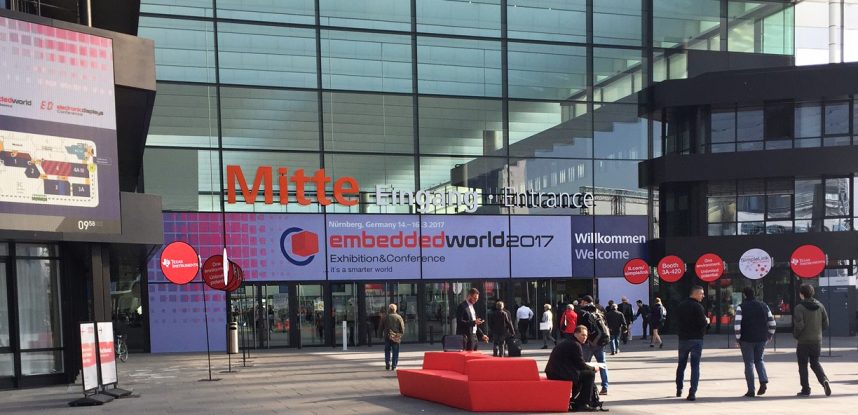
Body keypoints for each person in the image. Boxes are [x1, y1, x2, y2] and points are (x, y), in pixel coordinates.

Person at [544, 325, 601, 412]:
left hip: (553, 372)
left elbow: (576, 362)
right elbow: (580, 364)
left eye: (586, 335)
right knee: (590, 374)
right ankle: (584, 403)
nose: (585, 337)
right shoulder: (575, 345)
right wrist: (593, 368)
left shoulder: (568, 341)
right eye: (582, 335)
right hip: (559, 374)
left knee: (581, 373)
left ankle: (576, 400)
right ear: (575, 334)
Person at [734, 286, 777, 397]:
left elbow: (737, 325)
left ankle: (751, 390)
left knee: (749, 363)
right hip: (761, 338)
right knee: (759, 360)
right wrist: (769, 335)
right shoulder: (764, 305)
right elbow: (773, 323)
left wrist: (738, 338)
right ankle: (763, 381)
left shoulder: (741, 307)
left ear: (744, 295)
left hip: (746, 339)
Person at [793, 283, 831, 397]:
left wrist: (796, 335)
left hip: (803, 341)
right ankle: (824, 380)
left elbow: (799, 325)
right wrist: (818, 331)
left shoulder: (799, 308)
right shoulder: (820, 306)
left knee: (802, 365)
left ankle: (806, 389)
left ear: (801, 294)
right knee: (815, 363)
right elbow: (826, 323)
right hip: (816, 340)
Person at [675, 286, 708, 401]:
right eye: (701, 294)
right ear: (695, 293)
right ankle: (692, 392)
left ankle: (679, 388)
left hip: (683, 339)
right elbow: (702, 323)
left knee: (681, 365)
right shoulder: (698, 307)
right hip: (696, 339)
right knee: (695, 366)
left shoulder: (681, 305)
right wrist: (707, 321)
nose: (703, 296)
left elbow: (677, 321)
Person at [579, 295, 609, 395]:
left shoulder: (583, 313)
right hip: (600, 342)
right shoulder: (599, 310)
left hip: (589, 343)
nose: (581, 303)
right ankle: (605, 387)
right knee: (602, 364)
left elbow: (581, 329)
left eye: (582, 301)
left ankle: (586, 387)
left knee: (585, 364)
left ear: (585, 302)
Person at [382, 303, 405, 371]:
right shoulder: (398, 317)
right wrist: (401, 334)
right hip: (395, 336)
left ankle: (387, 363)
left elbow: (381, 326)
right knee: (395, 351)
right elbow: (402, 327)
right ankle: (394, 366)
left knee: (387, 350)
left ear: (389, 309)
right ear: (395, 309)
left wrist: (379, 335)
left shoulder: (385, 317)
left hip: (387, 336)